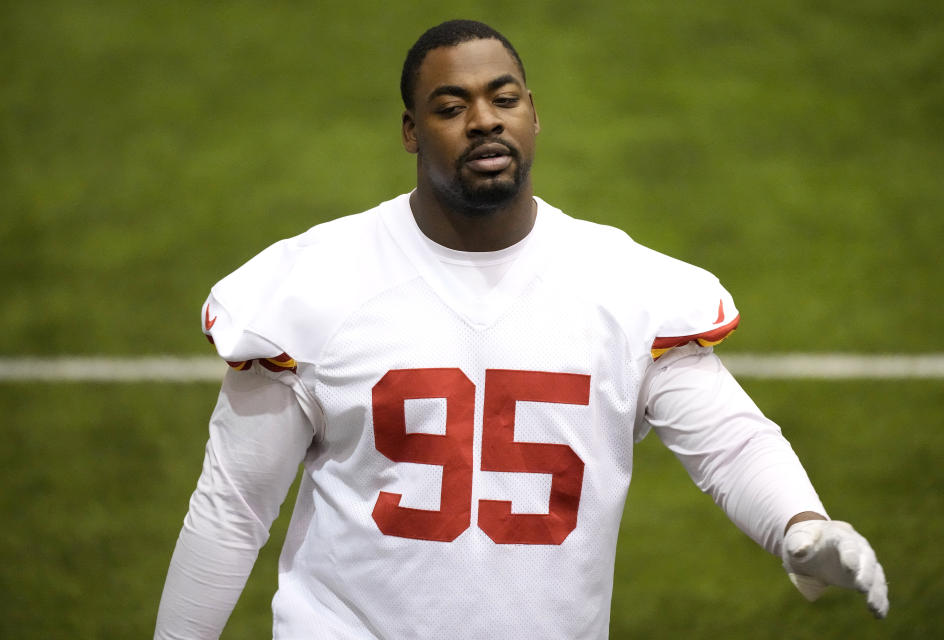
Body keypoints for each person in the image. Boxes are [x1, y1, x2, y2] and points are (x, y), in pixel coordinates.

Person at [154, 19, 888, 639]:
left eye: (503, 98)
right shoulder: (316, 285)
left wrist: (798, 527)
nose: (483, 120)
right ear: (412, 131)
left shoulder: (621, 284)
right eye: (451, 105)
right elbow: (234, 508)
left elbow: (728, 442)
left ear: (533, 113)